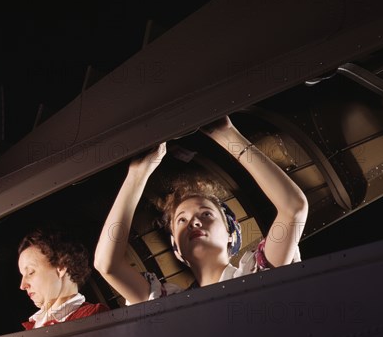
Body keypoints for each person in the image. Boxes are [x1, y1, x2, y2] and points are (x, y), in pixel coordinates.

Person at [94, 115, 308, 305]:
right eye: (181, 220)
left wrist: (228, 135)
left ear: (231, 235)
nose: (194, 223)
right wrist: (136, 175)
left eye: (206, 214)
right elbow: (107, 265)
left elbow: (294, 208)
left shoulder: (257, 273)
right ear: (177, 249)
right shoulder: (167, 304)